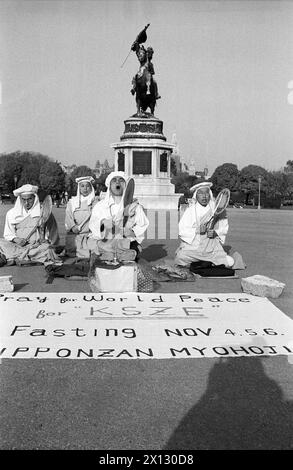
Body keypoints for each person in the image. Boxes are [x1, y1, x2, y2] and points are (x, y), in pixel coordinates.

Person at [89, 171, 149, 260]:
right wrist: (103, 224)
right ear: (109, 185)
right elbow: (93, 226)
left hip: (125, 244)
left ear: (125, 185)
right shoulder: (99, 206)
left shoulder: (135, 207)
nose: (117, 182)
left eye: (121, 180)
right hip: (105, 243)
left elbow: (142, 225)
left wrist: (131, 232)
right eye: (114, 180)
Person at [175, 181, 235, 268]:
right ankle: (206, 262)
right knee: (181, 257)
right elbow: (182, 229)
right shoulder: (190, 210)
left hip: (212, 245)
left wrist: (215, 232)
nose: (204, 196)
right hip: (194, 244)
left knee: (229, 262)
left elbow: (224, 226)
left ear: (210, 195)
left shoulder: (216, 208)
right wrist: (196, 230)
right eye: (201, 193)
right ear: (196, 196)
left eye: (206, 193)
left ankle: (202, 262)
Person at [0, 184, 60, 266]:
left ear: (35, 198)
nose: (26, 203)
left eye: (29, 199)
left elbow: (53, 231)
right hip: (17, 245)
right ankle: (23, 256)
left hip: (36, 246)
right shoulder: (11, 213)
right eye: (23, 200)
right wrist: (16, 239)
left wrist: (46, 240)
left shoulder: (43, 212)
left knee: (47, 249)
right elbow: (8, 233)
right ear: (20, 199)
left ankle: (13, 257)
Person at [65, 176, 99, 258]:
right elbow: (68, 216)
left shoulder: (95, 202)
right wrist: (73, 226)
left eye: (87, 186)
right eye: (82, 186)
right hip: (76, 234)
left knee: (94, 250)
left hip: (90, 235)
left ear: (91, 188)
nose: (85, 188)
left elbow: (98, 218)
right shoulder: (72, 202)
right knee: (73, 249)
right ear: (79, 188)